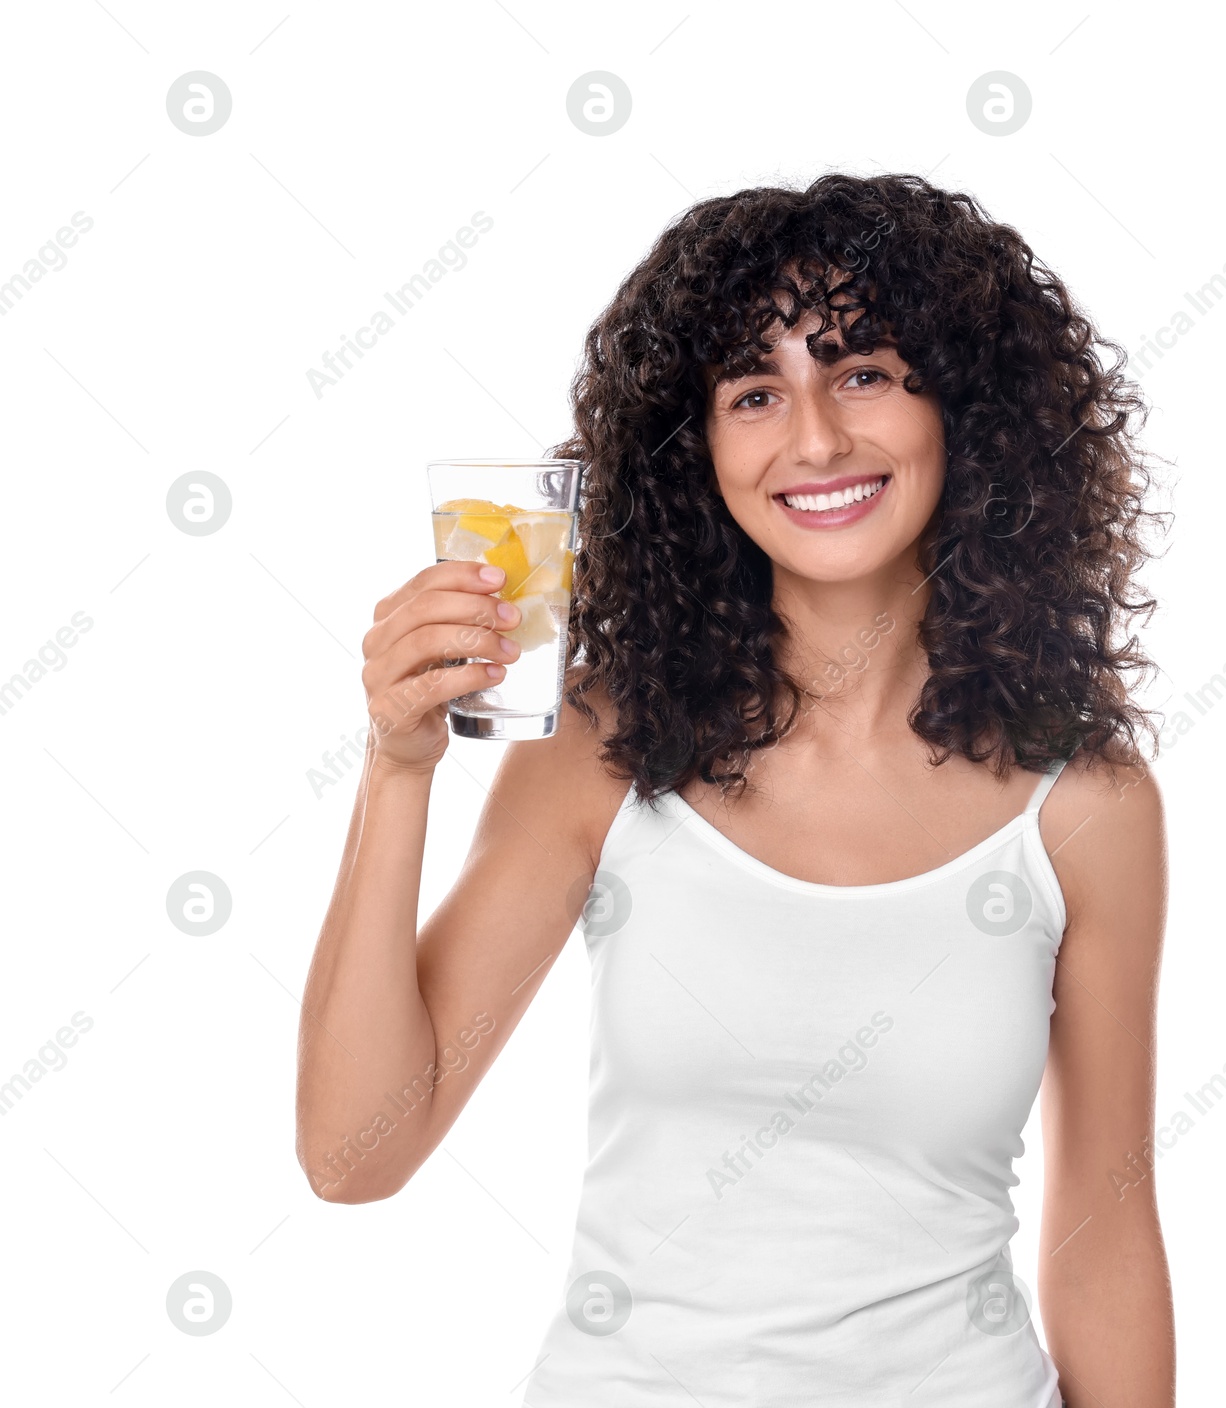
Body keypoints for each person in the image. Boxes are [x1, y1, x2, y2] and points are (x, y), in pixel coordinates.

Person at [296, 171, 1175, 1407]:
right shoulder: (605, 746)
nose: (814, 438)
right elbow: (353, 1153)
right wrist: (398, 769)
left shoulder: (1084, 801)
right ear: (696, 449)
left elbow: (1106, 1231)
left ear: (962, 408)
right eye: (754, 392)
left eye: (861, 369)